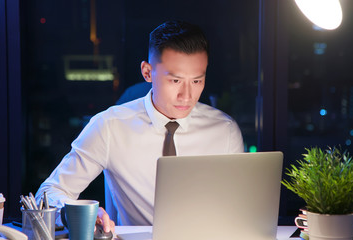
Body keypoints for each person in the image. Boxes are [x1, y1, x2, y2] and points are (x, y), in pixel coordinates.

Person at [35, 20, 244, 233]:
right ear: (147, 72)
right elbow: (49, 193)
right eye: (175, 81)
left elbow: (241, 209)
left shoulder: (224, 131)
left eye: (197, 81)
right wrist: (78, 213)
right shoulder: (110, 126)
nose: (187, 96)